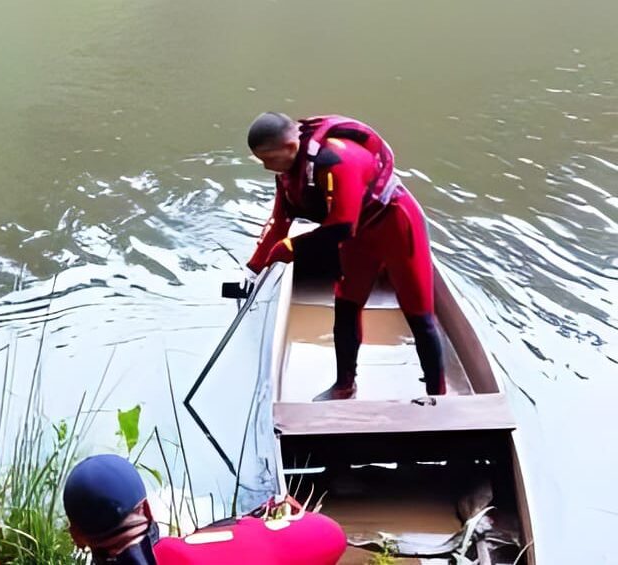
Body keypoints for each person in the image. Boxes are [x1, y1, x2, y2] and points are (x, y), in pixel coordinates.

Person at [244, 112, 445, 400]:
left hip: (395, 226)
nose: (266, 167)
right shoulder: (288, 171)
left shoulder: (338, 160)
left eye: (269, 159)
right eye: (261, 161)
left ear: (289, 147)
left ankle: (438, 394)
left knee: (419, 313)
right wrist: (254, 269)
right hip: (358, 237)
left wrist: (290, 249)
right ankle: (344, 385)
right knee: (347, 304)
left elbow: (340, 226)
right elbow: (279, 222)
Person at [63, 454, 347, 564]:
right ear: (147, 510)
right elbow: (330, 535)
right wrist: (252, 528)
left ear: (76, 535)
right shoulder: (181, 554)